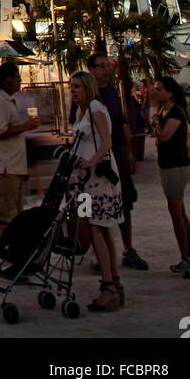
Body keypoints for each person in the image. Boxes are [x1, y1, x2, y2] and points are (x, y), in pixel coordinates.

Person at [86, 54, 148, 271]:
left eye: (107, 66)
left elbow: (121, 124)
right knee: (93, 203)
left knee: (124, 200)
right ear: (91, 69)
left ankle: (128, 248)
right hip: (97, 155)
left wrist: (130, 152)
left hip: (118, 152)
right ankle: (96, 250)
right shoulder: (88, 97)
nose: (106, 70)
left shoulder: (112, 92)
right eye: (101, 66)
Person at [70, 71, 124, 311]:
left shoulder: (94, 107)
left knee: (96, 230)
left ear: (87, 88)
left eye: (77, 87)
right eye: (71, 86)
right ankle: (114, 282)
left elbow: (107, 142)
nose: (72, 90)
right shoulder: (82, 110)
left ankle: (109, 286)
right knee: (101, 230)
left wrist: (91, 162)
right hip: (86, 181)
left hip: (98, 179)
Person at [0, 61, 38, 241]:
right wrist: (25, 126)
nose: (19, 81)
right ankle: (6, 255)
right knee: (6, 216)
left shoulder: (8, 101)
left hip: (13, 167)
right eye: (16, 78)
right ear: (7, 80)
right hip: (4, 168)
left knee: (14, 214)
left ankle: (14, 254)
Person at [152, 75, 190, 277]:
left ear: (170, 92)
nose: (156, 92)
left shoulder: (176, 112)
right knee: (179, 211)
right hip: (169, 164)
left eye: (159, 89)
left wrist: (156, 124)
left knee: (176, 211)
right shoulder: (165, 110)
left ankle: (186, 257)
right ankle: (189, 255)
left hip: (176, 166)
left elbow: (164, 136)